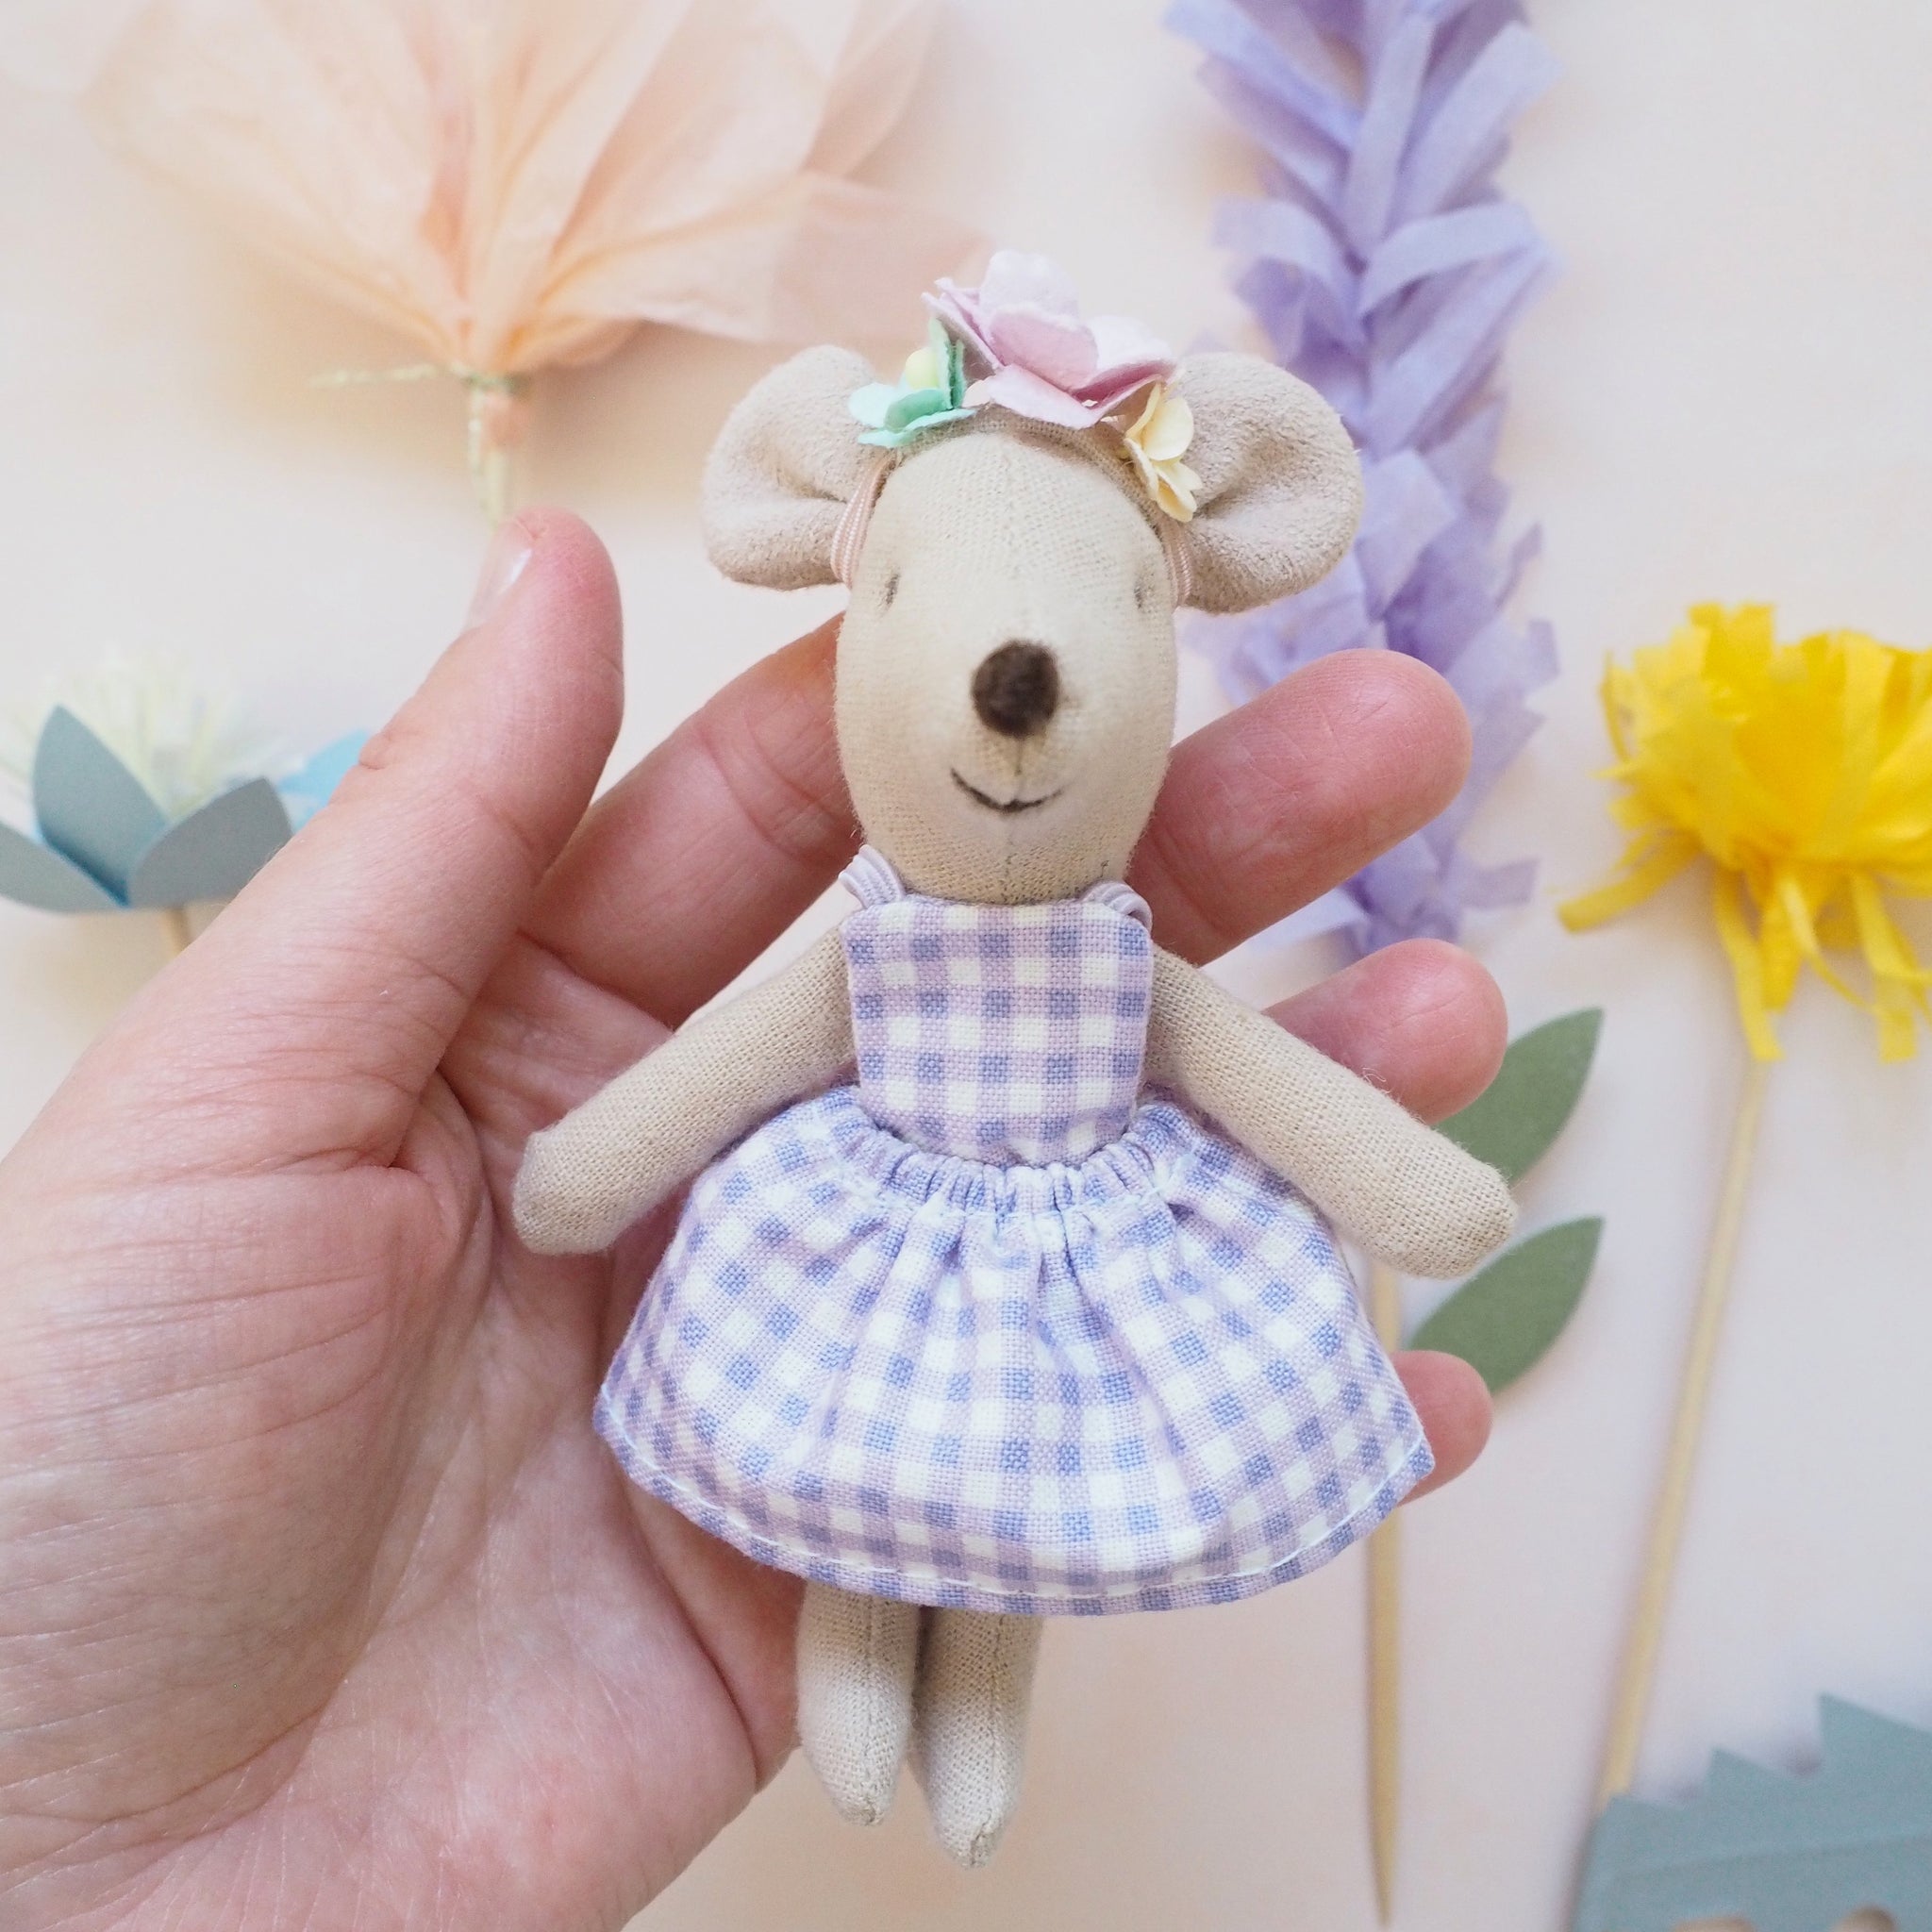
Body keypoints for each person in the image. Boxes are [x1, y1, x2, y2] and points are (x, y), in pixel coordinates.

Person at [0, 511, 1502, 1930]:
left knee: (1022, 1481)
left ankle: (981, 1692)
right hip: (878, 1234)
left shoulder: (1124, 958)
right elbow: (730, 1063)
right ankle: (851, 1651)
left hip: (1075, 1250)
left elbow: (1248, 1074)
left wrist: (1405, 1186)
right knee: (861, 1464)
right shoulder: (874, 939)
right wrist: (591, 1166)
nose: (1016, 690)